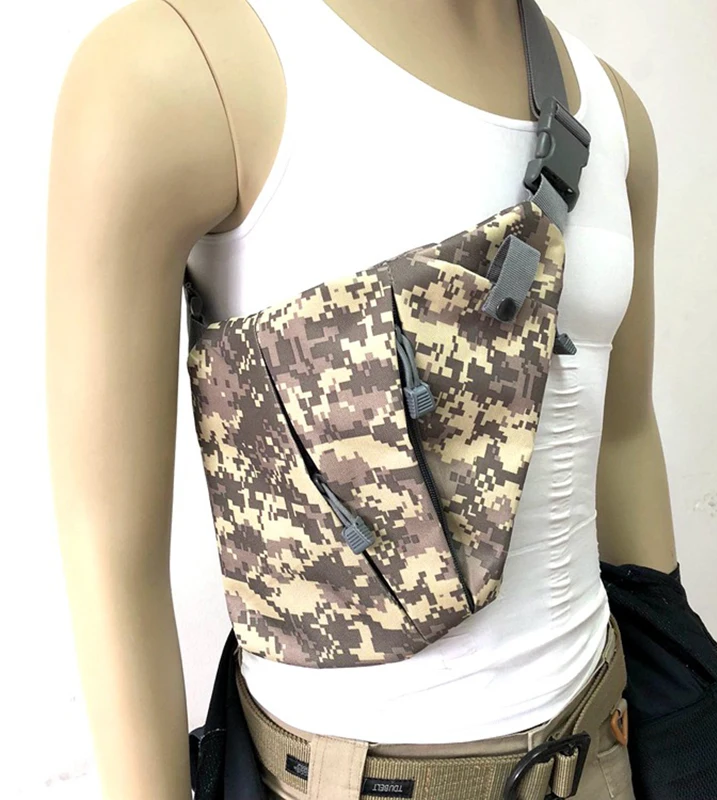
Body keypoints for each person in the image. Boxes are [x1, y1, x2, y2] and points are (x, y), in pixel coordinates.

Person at [46, 2, 676, 798]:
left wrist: (685, 693)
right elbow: (107, 552)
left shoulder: (613, 110)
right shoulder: (182, 67)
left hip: (609, 744)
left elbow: (624, 435)